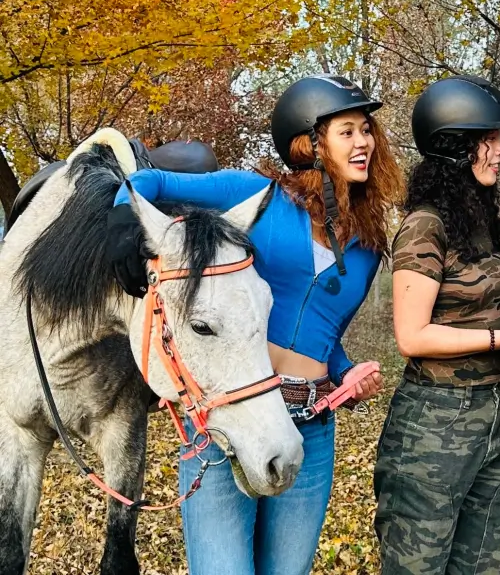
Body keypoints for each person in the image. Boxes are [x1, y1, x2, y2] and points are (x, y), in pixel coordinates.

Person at [104, 74, 405, 575]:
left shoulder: (369, 243)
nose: (363, 143)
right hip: (227, 422)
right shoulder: (255, 195)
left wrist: (349, 373)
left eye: (366, 130)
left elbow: (326, 340)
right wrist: (120, 222)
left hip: (309, 427)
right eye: (347, 131)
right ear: (310, 143)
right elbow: (147, 181)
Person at [373, 75, 500, 575]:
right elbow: (412, 336)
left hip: (495, 412)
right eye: (490, 139)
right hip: (436, 422)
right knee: (419, 566)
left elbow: (467, 302)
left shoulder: (477, 217)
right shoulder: (424, 225)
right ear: (455, 146)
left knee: (480, 565)